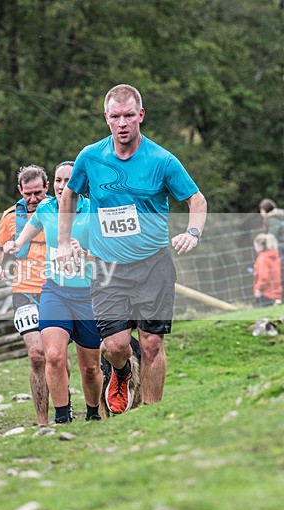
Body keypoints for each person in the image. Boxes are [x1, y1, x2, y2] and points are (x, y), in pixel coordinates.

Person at [57, 84, 207, 414]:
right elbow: (68, 195)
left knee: (152, 343)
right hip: (108, 267)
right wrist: (65, 242)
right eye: (115, 117)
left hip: (153, 264)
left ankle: (151, 414)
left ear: (140, 115)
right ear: (106, 119)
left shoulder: (161, 159)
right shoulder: (90, 157)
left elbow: (196, 199)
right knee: (115, 345)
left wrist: (193, 232)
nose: (122, 123)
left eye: (128, 116)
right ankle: (122, 372)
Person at [4, 162, 103, 423]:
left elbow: (106, 256)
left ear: (79, 183)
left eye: (67, 181)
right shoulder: (46, 209)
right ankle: (62, 417)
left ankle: (93, 413)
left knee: (90, 367)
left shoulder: (93, 210)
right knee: (54, 356)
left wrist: (84, 252)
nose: (61, 186)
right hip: (54, 291)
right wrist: (15, 244)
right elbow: (28, 230)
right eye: (58, 180)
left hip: (87, 295)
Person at [0, 166, 52, 426]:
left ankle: (63, 408)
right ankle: (42, 421)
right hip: (24, 291)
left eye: (38, 192)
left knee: (55, 356)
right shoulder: (10, 216)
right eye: (28, 194)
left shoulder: (60, 210)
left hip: (57, 288)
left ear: (47, 188)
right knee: (37, 354)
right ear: (20, 191)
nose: (33, 198)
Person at [252, 233, 282, 307]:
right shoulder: (275, 256)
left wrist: (258, 289)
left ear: (260, 246)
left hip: (265, 293)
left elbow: (264, 277)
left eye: (255, 246)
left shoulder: (262, 258)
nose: (254, 248)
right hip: (276, 291)